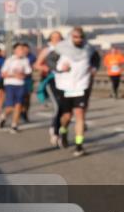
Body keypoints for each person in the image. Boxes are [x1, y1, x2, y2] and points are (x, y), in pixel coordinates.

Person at [53, 27, 101, 156]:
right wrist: (59, 68)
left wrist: (95, 68)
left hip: (81, 85)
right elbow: (49, 62)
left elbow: (96, 60)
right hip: (65, 85)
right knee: (67, 116)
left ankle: (79, 146)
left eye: (81, 37)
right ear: (70, 37)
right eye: (75, 37)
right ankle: (63, 130)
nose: (78, 40)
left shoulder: (88, 49)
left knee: (80, 114)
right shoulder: (61, 49)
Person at [36, 31, 66, 147]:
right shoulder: (47, 50)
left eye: (58, 37)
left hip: (66, 81)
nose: (56, 39)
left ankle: (59, 128)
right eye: (54, 38)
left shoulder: (66, 49)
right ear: (50, 39)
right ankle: (55, 130)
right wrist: (45, 67)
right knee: (58, 105)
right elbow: (37, 64)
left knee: (65, 108)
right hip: (52, 79)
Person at [0, 43, 32, 132]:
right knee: (10, 106)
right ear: (15, 50)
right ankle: (3, 116)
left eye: (23, 49)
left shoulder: (25, 60)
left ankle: (14, 125)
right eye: (20, 49)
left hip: (20, 85)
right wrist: (14, 75)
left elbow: (28, 72)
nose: (22, 51)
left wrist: (23, 74)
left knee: (19, 105)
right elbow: (2, 74)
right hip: (10, 85)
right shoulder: (9, 60)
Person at [21, 43, 37, 122]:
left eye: (27, 48)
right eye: (23, 49)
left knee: (28, 98)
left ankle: (25, 113)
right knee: (21, 98)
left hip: (28, 80)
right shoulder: (19, 57)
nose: (25, 50)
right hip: (19, 80)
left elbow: (36, 66)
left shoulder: (32, 57)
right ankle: (21, 111)